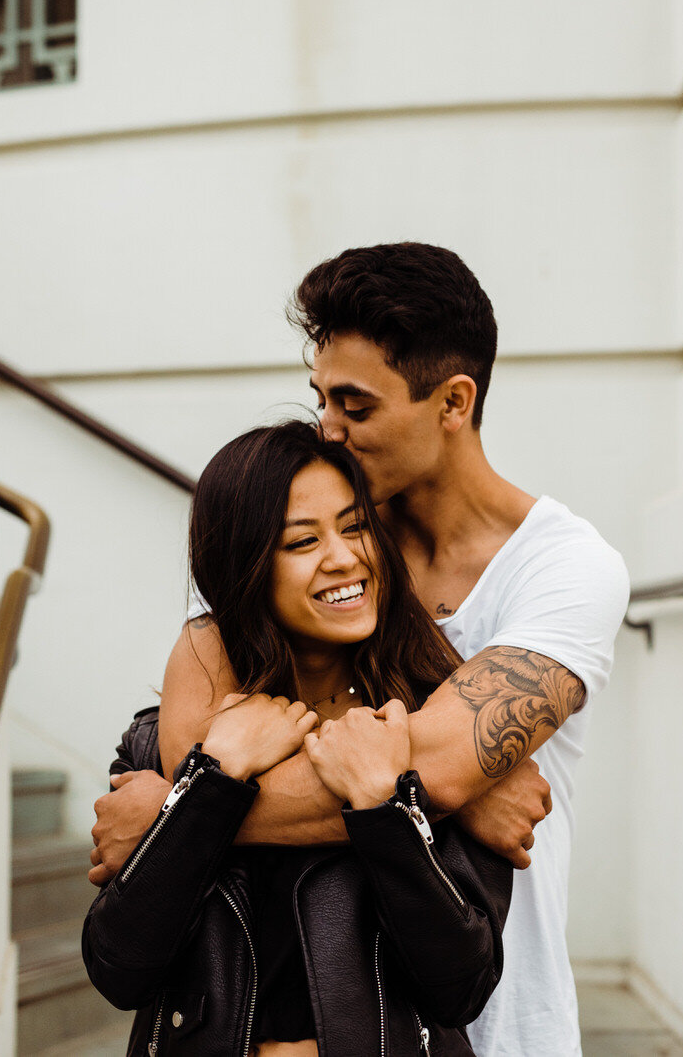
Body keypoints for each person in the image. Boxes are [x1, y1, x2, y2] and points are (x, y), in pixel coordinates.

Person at [91, 242, 631, 1055]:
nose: (329, 430)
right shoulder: (302, 539)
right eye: (322, 399)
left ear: (453, 403)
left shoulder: (565, 567)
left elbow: (436, 766)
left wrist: (175, 818)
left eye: (356, 405)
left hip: (499, 1020)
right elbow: (192, 739)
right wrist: (457, 794)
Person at [82, 420, 513, 1056]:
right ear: (244, 567)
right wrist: (211, 783)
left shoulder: (430, 727)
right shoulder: (161, 748)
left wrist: (382, 805)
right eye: (303, 540)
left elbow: (462, 987)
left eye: (356, 526)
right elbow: (120, 969)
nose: (344, 557)